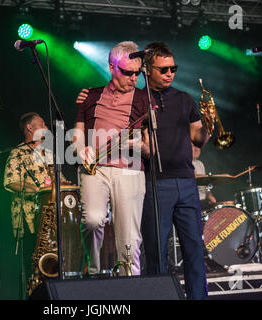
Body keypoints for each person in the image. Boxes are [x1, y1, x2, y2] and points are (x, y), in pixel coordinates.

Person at [140, 42, 212, 299]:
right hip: (155, 183)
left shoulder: (185, 99)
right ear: (148, 70)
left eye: (173, 68)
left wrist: (209, 127)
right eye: (164, 69)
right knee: (157, 250)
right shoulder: (139, 100)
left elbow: (198, 138)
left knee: (194, 247)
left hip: (186, 181)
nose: (170, 73)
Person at [73, 41, 152, 276]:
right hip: (95, 168)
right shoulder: (90, 95)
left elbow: (151, 149)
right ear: (111, 67)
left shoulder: (143, 99)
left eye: (137, 73)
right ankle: (94, 271)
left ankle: (129, 284)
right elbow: (77, 135)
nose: (133, 78)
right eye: (127, 72)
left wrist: (139, 145)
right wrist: (80, 150)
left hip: (130, 169)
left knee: (129, 237)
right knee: (92, 221)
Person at [4, 112, 69, 296]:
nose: (47, 128)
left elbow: (61, 182)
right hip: (29, 220)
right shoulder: (17, 153)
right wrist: (40, 189)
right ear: (30, 128)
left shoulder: (49, 154)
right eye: (43, 124)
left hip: (52, 221)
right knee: (32, 269)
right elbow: (10, 182)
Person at [192, 143, 216, 211]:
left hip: (203, 201)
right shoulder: (185, 163)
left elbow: (205, 186)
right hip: (192, 202)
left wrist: (209, 195)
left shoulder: (200, 164)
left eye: (198, 147)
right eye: (193, 146)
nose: (197, 149)